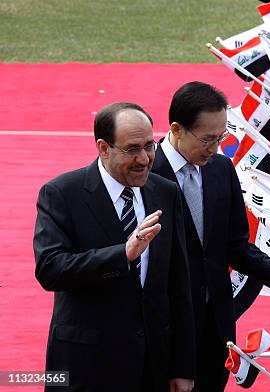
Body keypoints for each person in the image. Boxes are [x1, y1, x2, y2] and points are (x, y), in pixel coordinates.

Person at [33, 102, 196, 392]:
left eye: (149, 146)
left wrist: (181, 366)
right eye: (132, 149)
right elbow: (51, 269)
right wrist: (123, 254)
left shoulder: (165, 192)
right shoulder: (62, 193)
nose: (144, 159)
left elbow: (179, 286)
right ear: (104, 148)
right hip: (87, 367)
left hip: (152, 367)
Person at [151, 81, 270, 392]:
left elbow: (234, 246)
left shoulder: (220, 168)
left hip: (215, 326)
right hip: (165, 328)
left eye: (221, 137)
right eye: (207, 139)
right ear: (177, 129)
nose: (215, 148)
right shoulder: (146, 174)